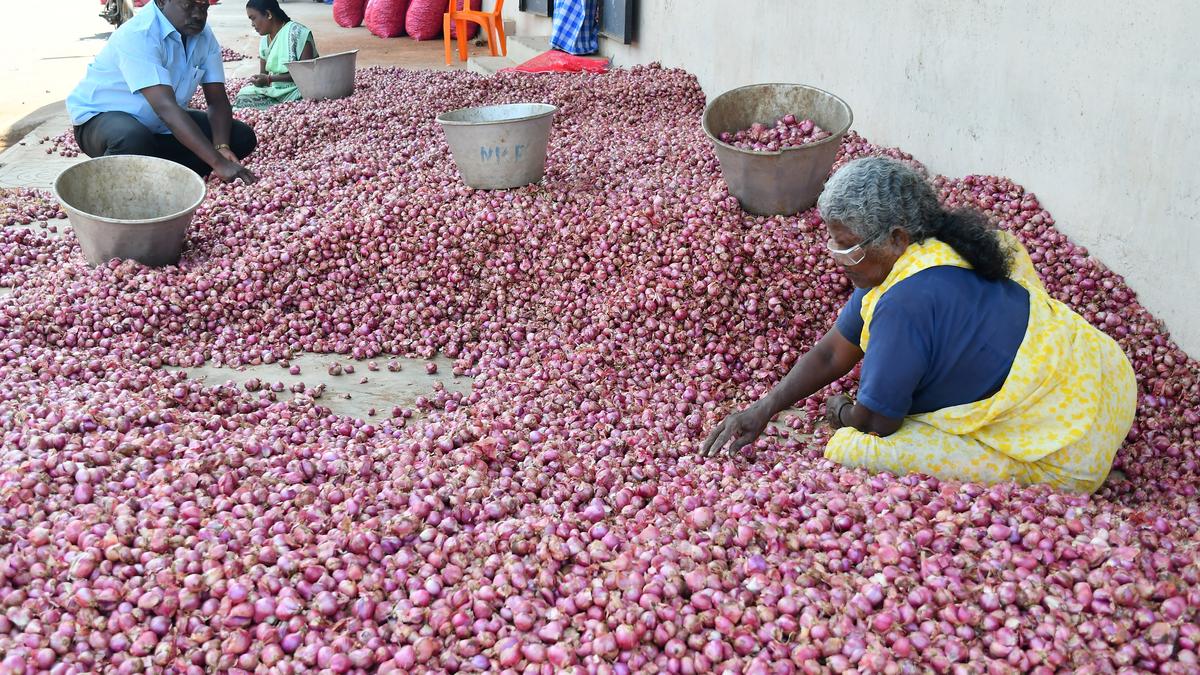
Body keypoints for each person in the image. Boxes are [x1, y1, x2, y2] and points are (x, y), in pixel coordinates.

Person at [701, 157, 1136, 494]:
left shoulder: (903, 305)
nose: (837, 258)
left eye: (848, 247)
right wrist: (764, 408)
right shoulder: (937, 248)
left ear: (896, 237)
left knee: (850, 449)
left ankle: (1059, 470)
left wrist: (841, 413)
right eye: (831, 242)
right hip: (1106, 376)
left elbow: (876, 423)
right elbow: (833, 351)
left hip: (1069, 447)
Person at [68, 0, 257, 184]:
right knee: (132, 139)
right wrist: (218, 162)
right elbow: (166, 108)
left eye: (203, 7)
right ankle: (115, 179)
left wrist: (221, 147)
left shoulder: (203, 36)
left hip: (158, 126)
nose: (198, 15)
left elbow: (217, 101)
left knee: (241, 137)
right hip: (103, 119)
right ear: (161, 2)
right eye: (189, 5)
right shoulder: (140, 33)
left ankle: (153, 173)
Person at [233, 0, 317, 110]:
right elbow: (263, 74)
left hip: (297, 91)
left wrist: (269, 79)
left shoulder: (298, 33)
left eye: (253, 18)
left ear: (268, 14)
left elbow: (306, 74)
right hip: (274, 91)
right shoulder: (264, 40)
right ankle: (278, 108)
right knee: (243, 95)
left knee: (245, 106)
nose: (252, 24)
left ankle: (282, 108)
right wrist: (259, 80)